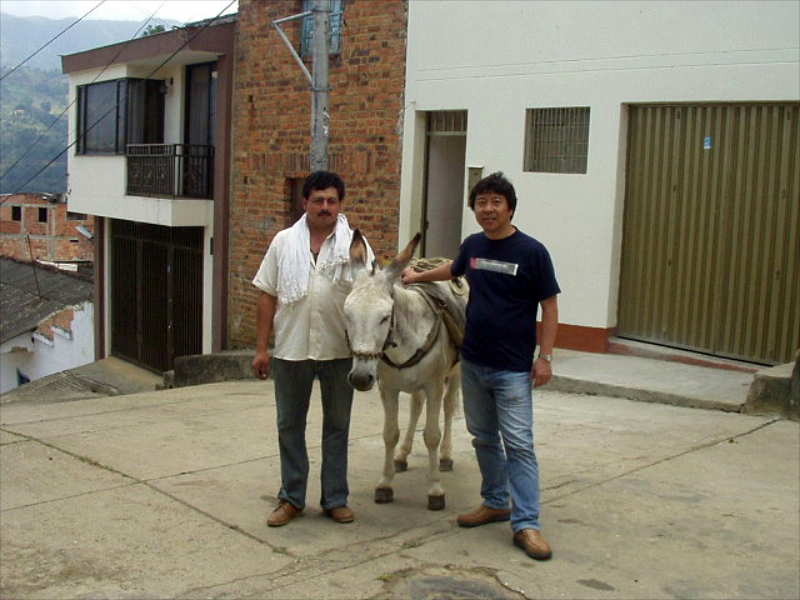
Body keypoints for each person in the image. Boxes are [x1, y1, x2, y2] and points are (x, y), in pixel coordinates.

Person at [402, 171, 560, 560]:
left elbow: (550, 306)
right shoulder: (473, 245)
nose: (488, 209)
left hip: (512, 367)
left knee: (519, 444)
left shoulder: (532, 251)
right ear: (474, 208)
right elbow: (454, 271)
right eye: (481, 203)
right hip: (473, 361)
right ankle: (495, 502)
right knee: (484, 438)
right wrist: (416, 276)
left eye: (495, 202)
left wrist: (546, 357)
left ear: (509, 208)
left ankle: (527, 524)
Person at [252, 170, 373, 527]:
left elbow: (369, 295)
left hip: (339, 350)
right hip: (291, 349)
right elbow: (266, 295)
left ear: (340, 204)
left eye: (332, 201)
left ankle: (335, 499)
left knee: (337, 426)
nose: (325, 207)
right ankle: (291, 498)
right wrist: (261, 349)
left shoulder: (355, 245)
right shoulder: (283, 242)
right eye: (318, 200)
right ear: (304, 203)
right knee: (289, 425)